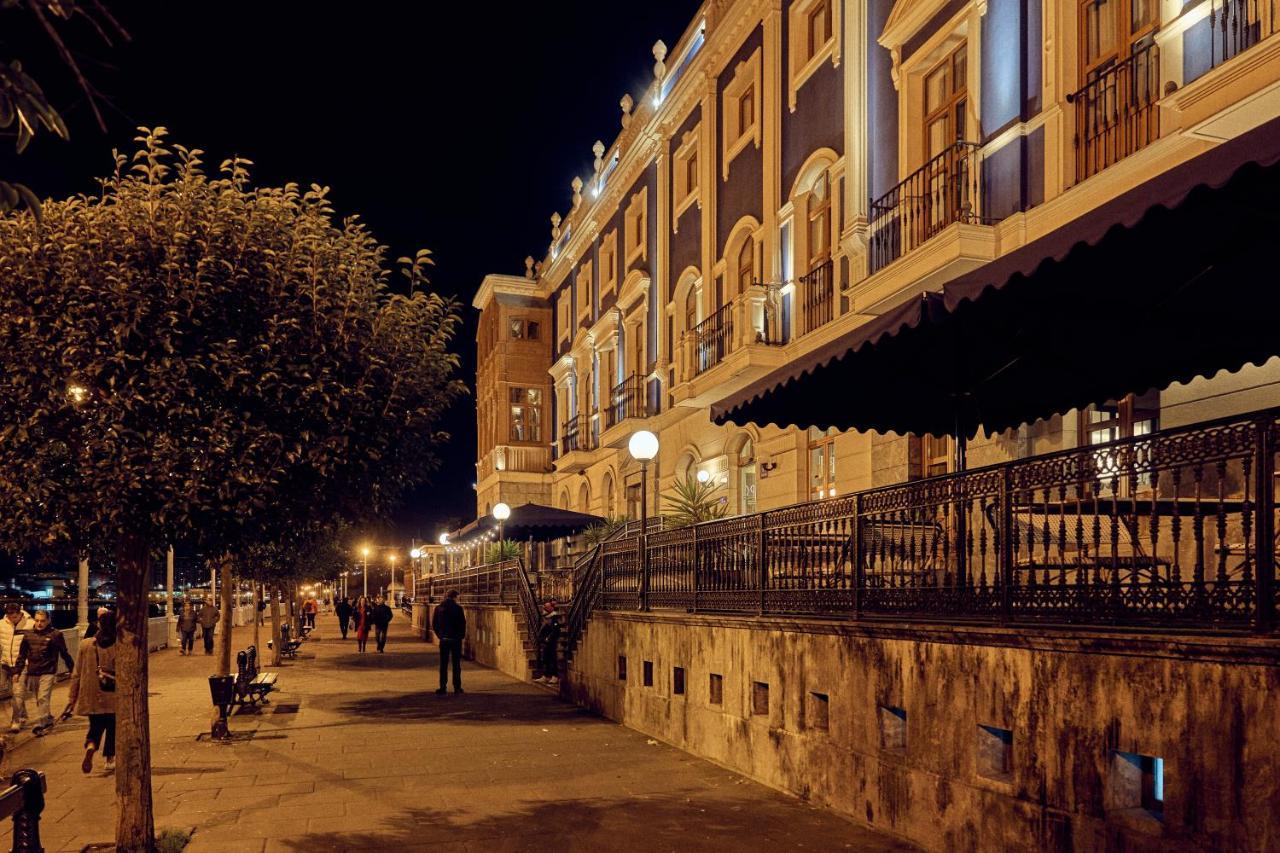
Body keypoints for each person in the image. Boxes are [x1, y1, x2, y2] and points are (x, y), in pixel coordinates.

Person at [65, 611, 117, 775]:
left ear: (99, 625)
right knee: (112, 727)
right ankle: (110, 759)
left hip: (91, 694)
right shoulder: (120, 644)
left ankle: (91, 746)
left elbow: (77, 673)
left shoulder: (86, 644)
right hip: (113, 693)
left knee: (95, 726)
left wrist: (72, 698)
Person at [16, 610, 74, 735]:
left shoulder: (56, 635)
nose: (39, 623)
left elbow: (64, 653)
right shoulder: (28, 635)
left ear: (48, 621)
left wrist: (72, 669)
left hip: (48, 670)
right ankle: (47, 717)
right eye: (37, 620)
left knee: (42, 697)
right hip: (33, 671)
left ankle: (42, 723)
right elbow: (22, 655)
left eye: (42, 621)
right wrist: (17, 671)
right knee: (40, 698)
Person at [0, 603, 33, 733]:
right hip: (5, 663)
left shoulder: (30, 624)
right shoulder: (1, 625)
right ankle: (23, 714)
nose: (13, 617)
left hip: (21, 665)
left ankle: (16, 720)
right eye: (10, 614)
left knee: (18, 693)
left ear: (20, 613)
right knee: (11, 691)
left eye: (15, 614)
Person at [431, 590, 466, 695]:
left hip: (444, 640)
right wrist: (460, 636)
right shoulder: (458, 609)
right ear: (454, 597)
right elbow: (462, 624)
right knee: (456, 664)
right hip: (455, 640)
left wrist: (440, 636)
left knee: (443, 664)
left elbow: (434, 624)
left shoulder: (439, 608)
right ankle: (457, 687)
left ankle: (442, 687)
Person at [535, 611, 561, 686]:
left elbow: (556, 632)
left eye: (546, 618)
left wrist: (548, 638)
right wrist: (543, 640)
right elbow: (541, 634)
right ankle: (546, 675)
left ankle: (554, 676)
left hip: (552, 644)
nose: (545, 620)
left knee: (553, 660)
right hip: (547, 645)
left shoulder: (554, 624)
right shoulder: (546, 625)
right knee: (546, 660)